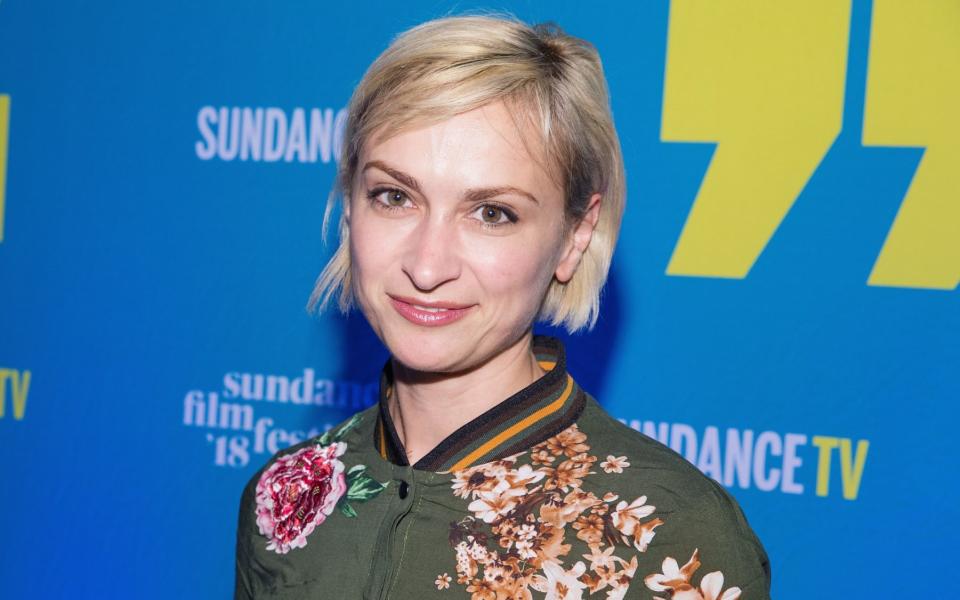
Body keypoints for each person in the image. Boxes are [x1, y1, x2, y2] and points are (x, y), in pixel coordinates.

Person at [235, 14, 771, 600]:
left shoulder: (671, 537)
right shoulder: (286, 493)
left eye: (492, 213)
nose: (428, 265)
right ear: (349, 206)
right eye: (394, 196)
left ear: (575, 236)